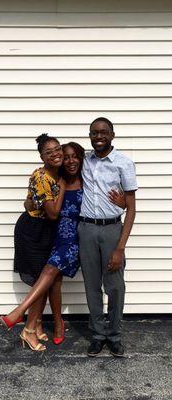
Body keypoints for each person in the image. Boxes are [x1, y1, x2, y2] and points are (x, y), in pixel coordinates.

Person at [0, 140, 125, 352]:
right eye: (65, 157)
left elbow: (110, 201)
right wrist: (28, 203)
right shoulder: (56, 180)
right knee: (53, 281)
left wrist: (122, 203)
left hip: (76, 237)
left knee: (50, 271)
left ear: (81, 158)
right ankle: (55, 323)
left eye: (74, 156)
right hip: (53, 235)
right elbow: (34, 201)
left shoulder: (88, 181)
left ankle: (20, 312)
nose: (70, 160)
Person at [1, 133, 67, 352]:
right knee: (40, 282)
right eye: (49, 152)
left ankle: (36, 324)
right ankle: (28, 331)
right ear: (42, 157)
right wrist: (65, 186)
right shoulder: (42, 177)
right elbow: (53, 214)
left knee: (44, 281)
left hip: (45, 232)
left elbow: (28, 202)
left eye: (57, 149)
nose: (55, 154)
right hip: (33, 232)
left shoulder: (57, 174)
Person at [78, 117, 138, 358]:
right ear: (90, 136)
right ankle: (97, 335)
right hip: (87, 229)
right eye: (94, 133)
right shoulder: (83, 160)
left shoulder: (124, 163)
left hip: (112, 230)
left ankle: (114, 335)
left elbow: (131, 208)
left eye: (104, 132)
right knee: (92, 285)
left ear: (113, 135)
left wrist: (120, 248)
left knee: (114, 287)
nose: (99, 136)